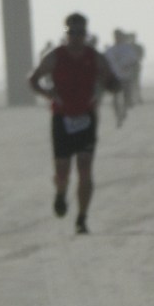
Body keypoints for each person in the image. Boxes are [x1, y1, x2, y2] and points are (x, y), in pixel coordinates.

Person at [27, 13, 122, 235]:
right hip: (62, 118)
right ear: (66, 33)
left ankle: (82, 218)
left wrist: (112, 85)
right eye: (72, 32)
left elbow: (112, 81)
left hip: (86, 117)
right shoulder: (55, 57)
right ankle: (61, 193)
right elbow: (33, 79)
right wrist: (47, 94)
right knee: (62, 171)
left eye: (80, 32)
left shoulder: (95, 57)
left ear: (86, 34)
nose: (76, 37)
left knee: (85, 168)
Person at [104, 29, 142, 127]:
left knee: (126, 98)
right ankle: (118, 116)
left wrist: (128, 67)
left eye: (118, 36)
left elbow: (134, 60)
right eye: (115, 36)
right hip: (115, 77)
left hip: (126, 76)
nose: (116, 38)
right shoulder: (111, 49)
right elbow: (106, 62)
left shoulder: (127, 49)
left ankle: (123, 112)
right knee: (115, 98)